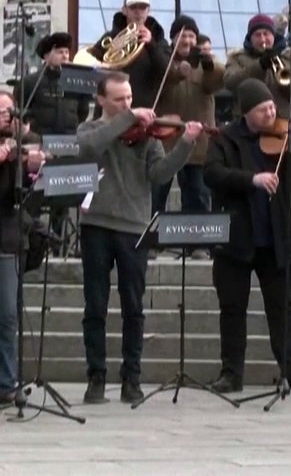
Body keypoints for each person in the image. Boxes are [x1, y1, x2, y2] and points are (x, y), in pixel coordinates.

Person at [202, 79, 291, 395]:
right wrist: (252, 179)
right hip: (236, 238)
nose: (271, 113)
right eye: (264, 109)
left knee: (282, 309)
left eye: (272, 108)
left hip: (278, 237)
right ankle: (231, 373)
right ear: (247, 111)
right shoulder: (225, 138)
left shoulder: (287, 140)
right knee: (232, 307)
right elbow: (212, 174)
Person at [76, 71, 200, 404]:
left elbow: (158, 174)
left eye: (130, 98)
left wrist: (185, 145)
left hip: (134, 225)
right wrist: (128, 117)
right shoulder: (90, 129)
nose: (128, 104)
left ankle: (132, 376)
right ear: (101, 100)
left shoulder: (148, 136)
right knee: (95, 305)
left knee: (134, 306)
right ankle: (96, 377)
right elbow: (89, 145)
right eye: (119, 99)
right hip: (97, 224)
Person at [153, 15, 224, 216]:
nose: (187, 41)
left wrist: (209, 63)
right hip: (165, 141)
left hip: (197, 142)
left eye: (191, 36)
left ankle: (196, 244)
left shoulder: (205, 64)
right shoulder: (163, 60)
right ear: (174, 38)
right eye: (182, 36)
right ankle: (149, 239)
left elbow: (218, 82)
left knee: (198, 196)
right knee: (157, 194)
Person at [0, 91, 45, 405]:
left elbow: (29, 197)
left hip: (8, 239)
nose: (5, 114)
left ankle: (6, 383)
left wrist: (34, 170)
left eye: (9, 109)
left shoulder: (21, 147)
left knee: (7, 315)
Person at [85, 0, 171, 111]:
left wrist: (151, 45)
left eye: (142, 8)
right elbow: (91, 65)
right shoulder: (110, 38)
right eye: (133, 7)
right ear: (124, 10)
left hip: (143, 109)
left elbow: (167, 72)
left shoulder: (159, 40)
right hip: (111, 110)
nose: (138, 12)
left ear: (148, 11)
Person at [225, 13, 291, 119]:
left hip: (281, 123)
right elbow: (230, 83)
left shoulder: (289, 58)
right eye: (257, 35)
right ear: (250, 38)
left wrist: (282, 70)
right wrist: (260, 66)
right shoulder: (237, 58)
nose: (263, 39)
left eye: (266, 34)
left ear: (273, 36)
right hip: (249, 123)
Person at [19, 32, 90, 136]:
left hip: (69, 138)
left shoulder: (76, 80)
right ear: (46, 56)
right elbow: (20, 108)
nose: (65, 56)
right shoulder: (30, 81)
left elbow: (83, 111)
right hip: (39, 138)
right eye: (60, 52)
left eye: (67, 52)